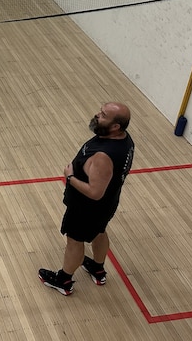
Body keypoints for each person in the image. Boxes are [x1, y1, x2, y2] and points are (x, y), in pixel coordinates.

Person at [38, 102, 135, 296]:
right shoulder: (124, 139)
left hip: (86, 208)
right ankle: (98, 270)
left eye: (104, 115)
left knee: (74, 241)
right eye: (100, 110)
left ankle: (64, 281)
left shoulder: (103, 156)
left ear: (116, 126)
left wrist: (70, 177)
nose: (97, 115)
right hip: (108, 203)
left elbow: (95, 192)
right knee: (99, 231)